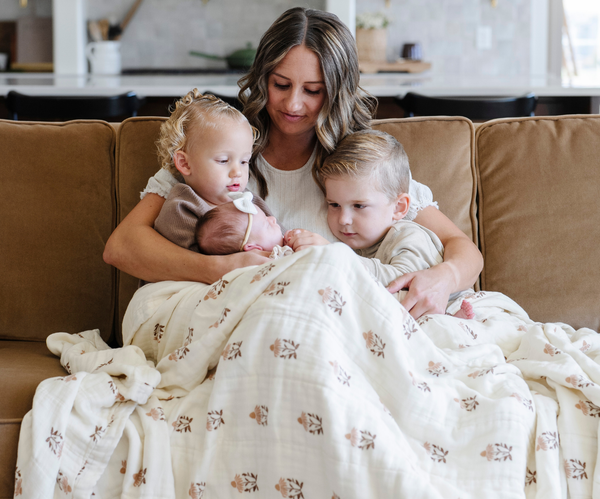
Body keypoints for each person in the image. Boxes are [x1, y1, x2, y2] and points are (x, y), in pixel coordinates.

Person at [103, 7, 483, 318]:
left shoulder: (359, 164)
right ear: (262, 77)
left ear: (336, 93)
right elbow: (122, 245)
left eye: (313, 91)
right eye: (280, 85)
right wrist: (218, 269)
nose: (293, 104)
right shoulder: (222, 147)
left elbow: (461, 247)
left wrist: (444, 277)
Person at [287, 129, 475, 318]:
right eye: (334, 204)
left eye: (359, 206)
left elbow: (403, 281)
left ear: (399, 208)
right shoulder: (362, 244)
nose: (343, 219)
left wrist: (334, 256)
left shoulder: (409, 235)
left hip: (442, 307)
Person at [152, 90, 275, 253]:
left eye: (244, 161)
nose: (237, 172)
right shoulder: (182, 207)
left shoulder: (249, 202)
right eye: (223, 160)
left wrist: (297, 240)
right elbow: (188, 264)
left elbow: (277, 233)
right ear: (185, 164)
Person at [196, 194, 289, 256]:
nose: (273, 219)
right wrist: (300, 246)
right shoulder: (277, 257)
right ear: (253, 248)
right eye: (267, 224)